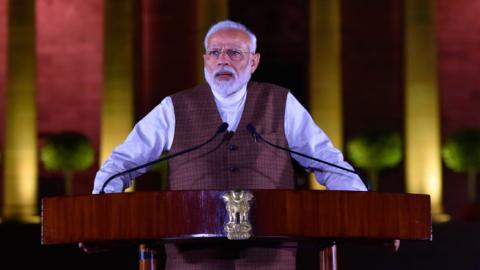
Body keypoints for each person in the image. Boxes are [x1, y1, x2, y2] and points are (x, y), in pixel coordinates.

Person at [89, 20, 367, 269]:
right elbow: (121, 164)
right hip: (191, 258)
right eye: (215, 52)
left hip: (269, 257)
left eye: (234, 53)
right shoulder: (173, 108)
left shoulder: (281, 103)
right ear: (205, 60)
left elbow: (326, 160)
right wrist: (100, 213)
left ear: (254, 62)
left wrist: (366, 214)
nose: (223, 60)